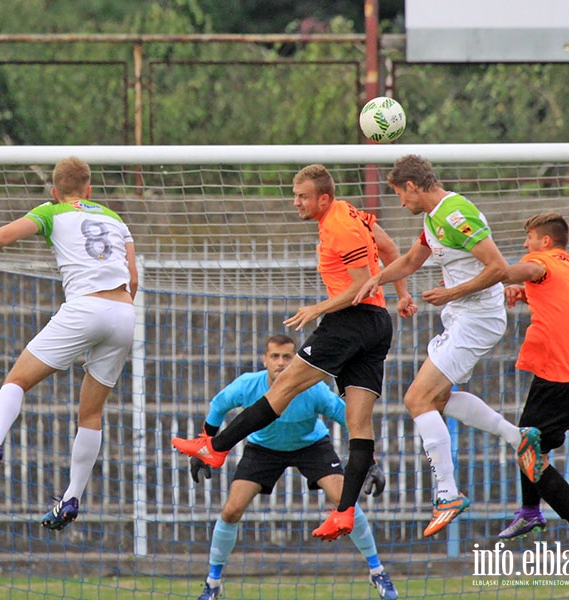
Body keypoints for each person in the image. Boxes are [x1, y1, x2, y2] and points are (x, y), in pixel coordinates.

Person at [173, 163, 415, 543]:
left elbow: (360, 288)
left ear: (323, 197)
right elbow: (388, 249)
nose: (295, 202)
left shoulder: (340, 224)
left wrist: (318, 309)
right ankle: (344, 512)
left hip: (349, 322)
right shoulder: (354, 212)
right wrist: (401, 295)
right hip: (377, 324)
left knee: (282, 389)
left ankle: (216, 449)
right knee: (359, 423)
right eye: (294, 195)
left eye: (302, 196)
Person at [353, 154, 543, 537]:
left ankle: (447, 494)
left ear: (412, 186)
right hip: (462, 318)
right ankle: (516, 437)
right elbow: (409, 261)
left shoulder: (456, 214)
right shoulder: (433, 218)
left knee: (416, 399)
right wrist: (377, 280)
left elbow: (498, 267)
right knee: (434, 401)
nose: (400, 204)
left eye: (400, 196)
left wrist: (450, 292)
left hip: (477, 320)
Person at [0, 156, 137, 531]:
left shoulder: (51, 210)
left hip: (85, 307)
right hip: (124, 314)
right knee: (90, 414)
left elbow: (5, 235)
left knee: (16, 381)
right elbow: (132, 278)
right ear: (89, 190)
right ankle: (72, 497)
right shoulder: (115, 219)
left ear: (55, 191)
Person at [190, 335, 398, 600]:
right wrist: (203, 446)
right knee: (232, 510)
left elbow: (351, 419)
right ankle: (213, 583)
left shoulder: (315, 390)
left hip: (311, 446)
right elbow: (218, 406)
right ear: (264, 360)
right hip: (262, 449)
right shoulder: (247, 385)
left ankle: (377, 570)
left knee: (345, 502)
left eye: (287, 356)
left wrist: (369, 460)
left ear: (296, 359)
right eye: (275, 356)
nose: (281, 362)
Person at [497, 212, 569, 552]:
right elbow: (559, 300)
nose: (525, 244)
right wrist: (524, 293)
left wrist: (495, 273)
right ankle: (530, 511)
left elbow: (527, 270)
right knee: (532, 446)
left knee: (528, 451)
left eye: (528, 237)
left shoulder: (538, 260)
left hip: (562, 378)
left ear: (544, 241)